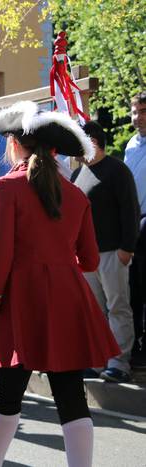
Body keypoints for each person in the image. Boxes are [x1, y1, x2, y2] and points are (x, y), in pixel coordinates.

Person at [0, 101, 120, 467]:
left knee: (8, 390)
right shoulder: (75, 194)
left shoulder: (6, 187)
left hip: (20, 299)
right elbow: (89, 260)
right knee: (71, 394)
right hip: (67, 297)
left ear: (15, 145)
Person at [71, 121, 140, 383]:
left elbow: (130, 210)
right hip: (87, 256)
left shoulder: (117, 170)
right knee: (94, 310)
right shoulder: (79, 174)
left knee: (118, 307)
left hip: (113, 252)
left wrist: (127, 248)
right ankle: (97, 360)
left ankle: (119, 362)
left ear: (94, 142)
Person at [124, 90, 146, 367]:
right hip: (133, 222)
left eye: (143, 111)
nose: (138, 117)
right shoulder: (131, 144)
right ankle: (137, 343)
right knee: (134, 288)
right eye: (135, 111)